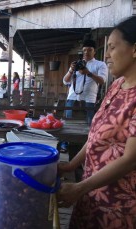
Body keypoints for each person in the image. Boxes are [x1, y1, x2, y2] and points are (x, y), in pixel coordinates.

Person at [57, 16, 136, 229]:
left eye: (111, 47)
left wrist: (80, 187)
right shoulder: (118, 85)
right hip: (91, 194)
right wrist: (72, 165)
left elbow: (130, 160)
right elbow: (96, 134)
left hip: (117, 206)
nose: (107, 55)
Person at [63, 39, 108, 125]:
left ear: (94, 51)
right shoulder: (77, 64)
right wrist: (71, 70)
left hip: (89, 100)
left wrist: (88, 73)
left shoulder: (100, 64)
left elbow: (102, 81)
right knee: (69, 125)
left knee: (88, 126)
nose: (86, 52)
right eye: (84, 50)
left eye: (90, 50)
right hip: (72, 98)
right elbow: (65, 81)